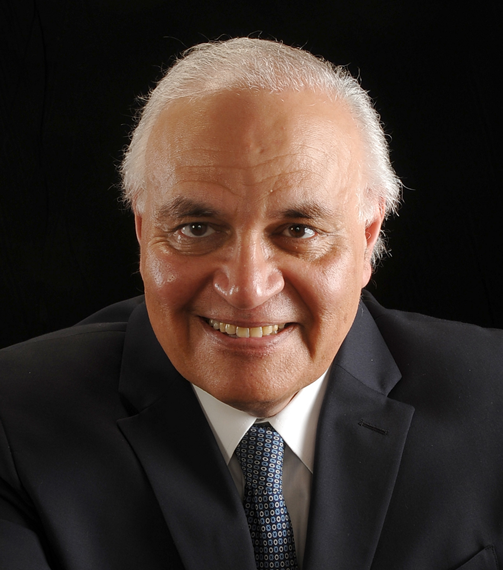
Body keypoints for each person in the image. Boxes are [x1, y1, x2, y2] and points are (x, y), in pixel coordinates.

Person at [0, 38, 502, 570]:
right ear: (144, 234)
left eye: (298, 230)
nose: (247, 289)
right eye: (197, 228)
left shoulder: (494, 401)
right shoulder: (13, 423)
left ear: (367, 237)